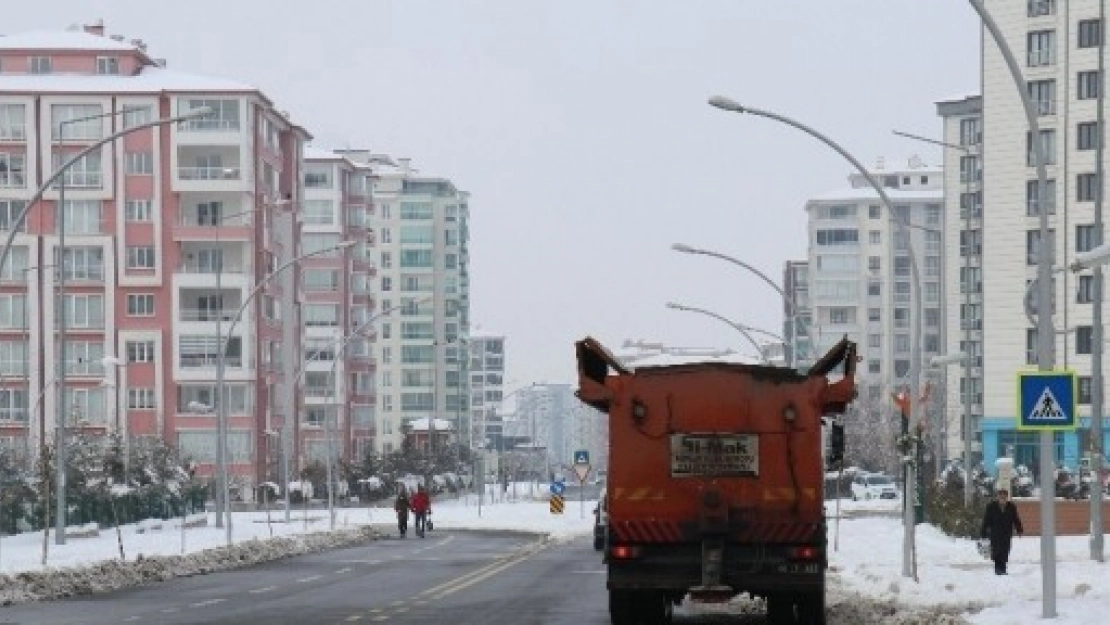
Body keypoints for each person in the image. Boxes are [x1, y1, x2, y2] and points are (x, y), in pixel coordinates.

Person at [980, 488, 1023, 575]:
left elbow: (1016, 519)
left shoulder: (1011, 506)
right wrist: (983, 532)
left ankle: (1002, 569)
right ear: (998, 497)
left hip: (1006, 533)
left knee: (1005, 551)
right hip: (995, 533)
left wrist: (1019, 529)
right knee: (996, 551)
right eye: (1001, 497)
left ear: (1007, 498)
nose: (1002, 499)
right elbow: (986, 520)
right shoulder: (991, 506)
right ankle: (998, 569)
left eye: (1004, 497)